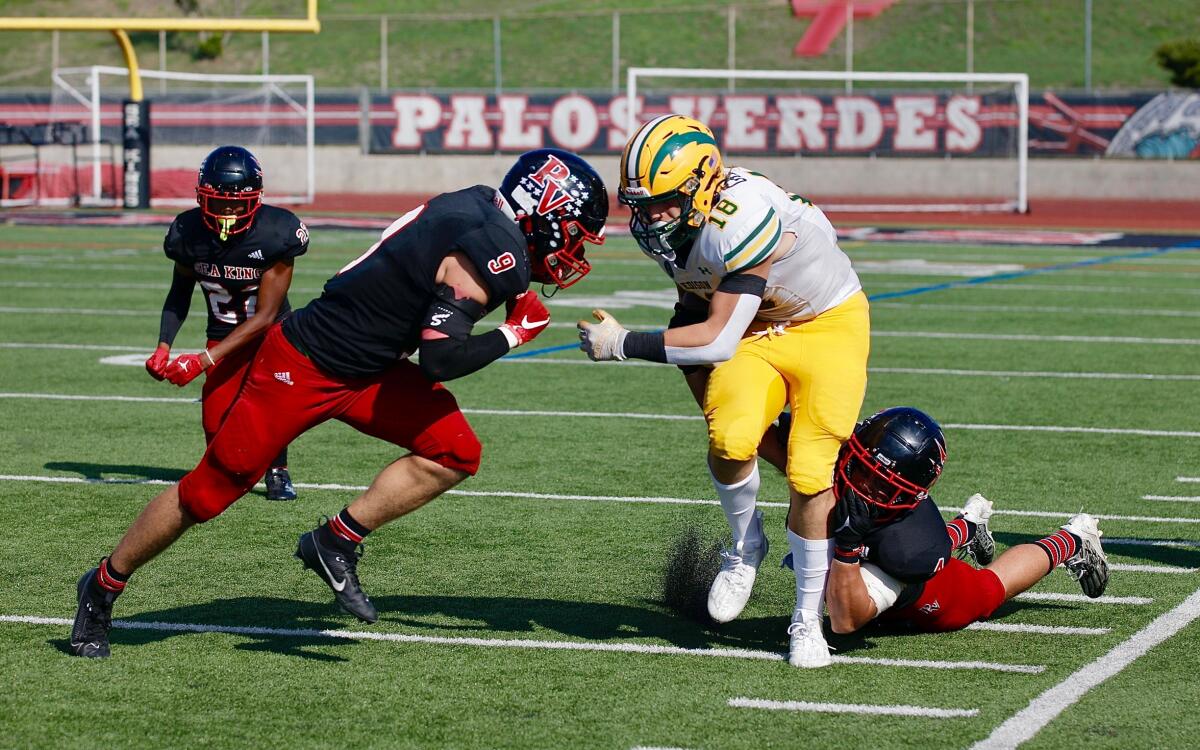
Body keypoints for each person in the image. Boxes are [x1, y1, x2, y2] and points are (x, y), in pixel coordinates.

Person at [70, 148, 608, 658]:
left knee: (454, 452)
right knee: (210, 493)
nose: (572, 252)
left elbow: (445, 271)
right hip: (305, 363)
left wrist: (509, 290)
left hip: (370, 367)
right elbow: (440, 360)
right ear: (548, 213)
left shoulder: (479, 204)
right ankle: (102, 584)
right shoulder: (496, 249)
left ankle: (334, 540)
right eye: (575, 237)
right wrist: (515, 332)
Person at [578, 114, 869, 667]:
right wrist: (710, 407)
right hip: (756, 328)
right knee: (732, 439)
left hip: (827, 325)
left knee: (810, 474)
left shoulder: (741, 218)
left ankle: (805, 622)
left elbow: (714, 339)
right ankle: (745, 550)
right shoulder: (678, 225)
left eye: (662, 199)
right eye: (640, 202)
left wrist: (621, 344)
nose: (649, 215)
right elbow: (695, 308)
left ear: (702, 183)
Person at [821, 407, 1110, 637]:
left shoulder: (908, 552)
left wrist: (847, 545)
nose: (864, 485)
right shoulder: (843, 463)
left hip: (929, 592)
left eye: (881, 483)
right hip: (889, 538)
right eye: (863, 467)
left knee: (988, 589)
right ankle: (969, 526)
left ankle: (1074, 539)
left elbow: (846, 620)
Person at [145, 145, 307, 502]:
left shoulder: (275, 232)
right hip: (221, 332)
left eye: (237, 201)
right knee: (215, 422)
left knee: (271, 406)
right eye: (218, 201)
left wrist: (202, 360)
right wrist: (163, 345)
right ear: (202, 197)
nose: (229, 210)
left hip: (274, 334)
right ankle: (230, 472)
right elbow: (179, 292)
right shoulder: (188, 232)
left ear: (256, 198)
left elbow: (265, 316)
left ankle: (278, 470)